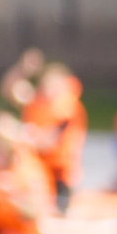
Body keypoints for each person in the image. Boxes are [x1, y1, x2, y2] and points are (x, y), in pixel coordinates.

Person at [21, 62, 87, 206]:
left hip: (62, 168)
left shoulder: (68, 107)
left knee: (61, 203)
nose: (49, 89)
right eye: (47, 84)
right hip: (41, 166)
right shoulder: (37, 105)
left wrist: (31, 138)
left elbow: (53, 136)